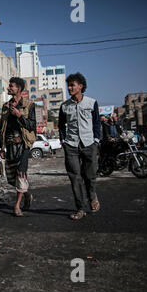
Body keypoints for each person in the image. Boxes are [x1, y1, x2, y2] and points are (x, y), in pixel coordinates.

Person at [58, 73, 101, 220]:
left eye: (72, 85)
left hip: (89, 144)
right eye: (68, 85)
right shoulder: (64, 106)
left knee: (90, 176)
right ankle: (80, 208)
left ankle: (92, 196)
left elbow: (96, 123)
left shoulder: (91, 102)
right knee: (75, 177)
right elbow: (61, 126)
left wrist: (96, 140)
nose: (69, 88)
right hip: (71, 145)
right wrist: (63, 141)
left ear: (80, 86)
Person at [0, 77, 36, 217]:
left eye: (11, 86)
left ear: (19, 89)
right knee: (12, 177)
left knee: (21, 173)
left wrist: (20, 116)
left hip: (24, 144)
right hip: (10, 146)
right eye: (9, 86)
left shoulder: (29, 105)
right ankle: (27, 196)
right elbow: (2, 128)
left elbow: (32, 126)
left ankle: (16, 206)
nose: (8, 88)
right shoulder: (5, 106)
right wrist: (2, 147)